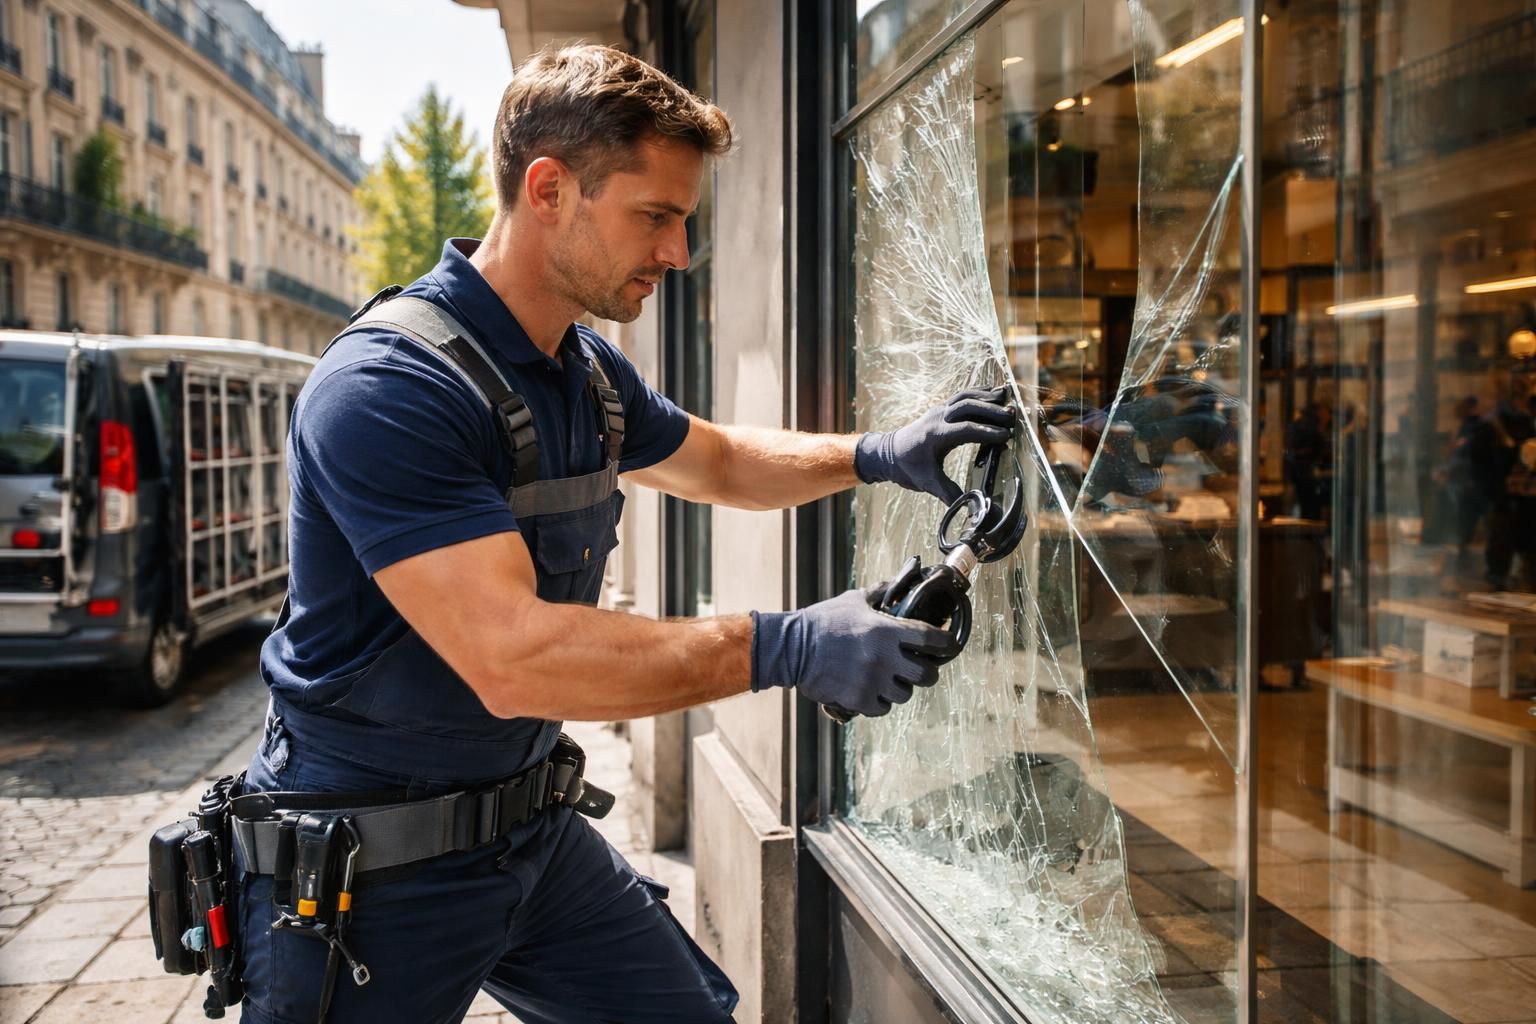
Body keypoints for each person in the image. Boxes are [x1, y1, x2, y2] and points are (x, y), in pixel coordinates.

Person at [234, 45, 1013, 1024]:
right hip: (370, 867)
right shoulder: (388, 387)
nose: (678, 254)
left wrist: (877, 453)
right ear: (549, 190)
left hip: (529, 830)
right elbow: (514, 658)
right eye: (656, 216)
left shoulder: (587, 373)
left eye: (684, 222)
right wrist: (788, 645)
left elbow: (719, 461)